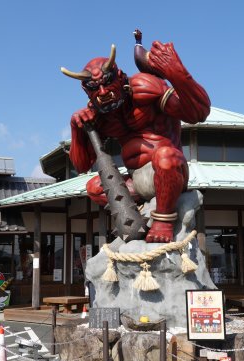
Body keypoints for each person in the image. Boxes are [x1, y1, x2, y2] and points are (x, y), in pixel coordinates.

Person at [61, 36, 210, 243]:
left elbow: (198, 113)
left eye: (106, 83)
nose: (103, 92)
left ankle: (164, 220)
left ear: (119, 76)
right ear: (87, 92)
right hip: (136, 182)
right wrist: (76, 128)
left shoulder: (144, 87)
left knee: (165, 156)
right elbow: (82, 165)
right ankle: (137, 217)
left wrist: (176, 72)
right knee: (94, 187)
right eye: (95, 88)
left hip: (169, 170)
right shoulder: (100, 115)